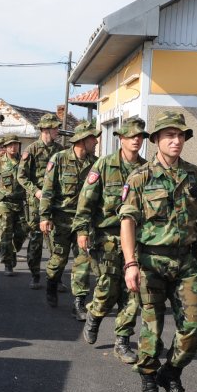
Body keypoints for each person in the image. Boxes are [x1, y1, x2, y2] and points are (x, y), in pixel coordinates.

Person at [119, 111, 197, 392]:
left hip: (186, 261)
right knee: (152, 328)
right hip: (151, 261)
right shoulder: (140, 177)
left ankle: (171, 373)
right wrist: (130, 264)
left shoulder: (195, 175)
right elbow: (127, 221)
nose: (176, 141)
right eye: (170, 135)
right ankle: (149, 381)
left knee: (195, 325)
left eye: (181, 135)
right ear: (157, 140)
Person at [73, 118, 148, 363]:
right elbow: (86, 200)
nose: (136, 140)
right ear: (121, 139)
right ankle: (95, 315)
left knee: (133, 292)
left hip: (136, 239)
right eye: (132, 136)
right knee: (107, 289)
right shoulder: (104, 165)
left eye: (140, 136)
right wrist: (82, 230)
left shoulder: (146, 169)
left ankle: (122, 341)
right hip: (107, 237)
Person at [39, 120, 97, 319]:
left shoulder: (96, 163)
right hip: (61, 219)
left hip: (84, 222)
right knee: (59, 260)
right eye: (92, 138)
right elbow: (48, 190)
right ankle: (51, 284)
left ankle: (79, 303)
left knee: (83, 260)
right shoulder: (59, 159)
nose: (96, 141)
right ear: (82, 140)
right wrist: (45, 216)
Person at [19, 113, 63, 290]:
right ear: (46, 129)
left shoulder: (60, 150)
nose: (58, 131)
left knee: (56, 240)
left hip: (55, 202)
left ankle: (56, 277)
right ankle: (35, 275)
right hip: (36, 203)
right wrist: (36, 191)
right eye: (55, 128)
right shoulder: (32, 150)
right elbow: (21, 176)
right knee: (36, 239)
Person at [0, 135, 27, 276]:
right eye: (10, 145)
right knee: (6, 232)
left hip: (20, 202)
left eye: (16, 144)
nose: (13, 147)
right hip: (4, 202)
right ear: (6, 147)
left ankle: (12, 251)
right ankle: (8, 263)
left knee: (22, 231)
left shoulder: (24, 162)